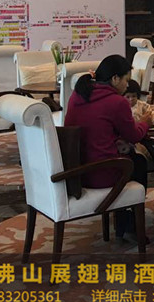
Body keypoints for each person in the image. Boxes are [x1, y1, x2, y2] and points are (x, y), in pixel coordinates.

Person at [64, 55, 149, 239]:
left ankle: (123, 222)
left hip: (75, 171)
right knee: (139, 162)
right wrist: (145, 122)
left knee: (130, 157)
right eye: (126, 80)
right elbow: (134, 135)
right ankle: (130, 224)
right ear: (115, 78)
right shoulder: (117, 102)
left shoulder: (78, 94)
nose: (128, 85)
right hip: (100, 173)